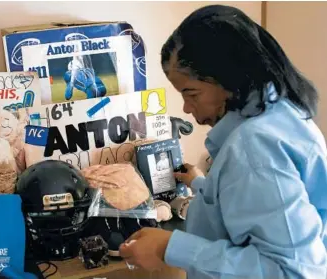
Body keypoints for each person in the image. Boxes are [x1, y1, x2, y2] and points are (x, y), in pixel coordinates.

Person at [119, 5, 327, 279]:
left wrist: (171, 246)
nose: (186, 108)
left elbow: (292, 272)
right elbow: (262, 202)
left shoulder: (254, 148)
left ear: (230, 79)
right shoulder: (284, 113)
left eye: (192, 93)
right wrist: (202, 184)